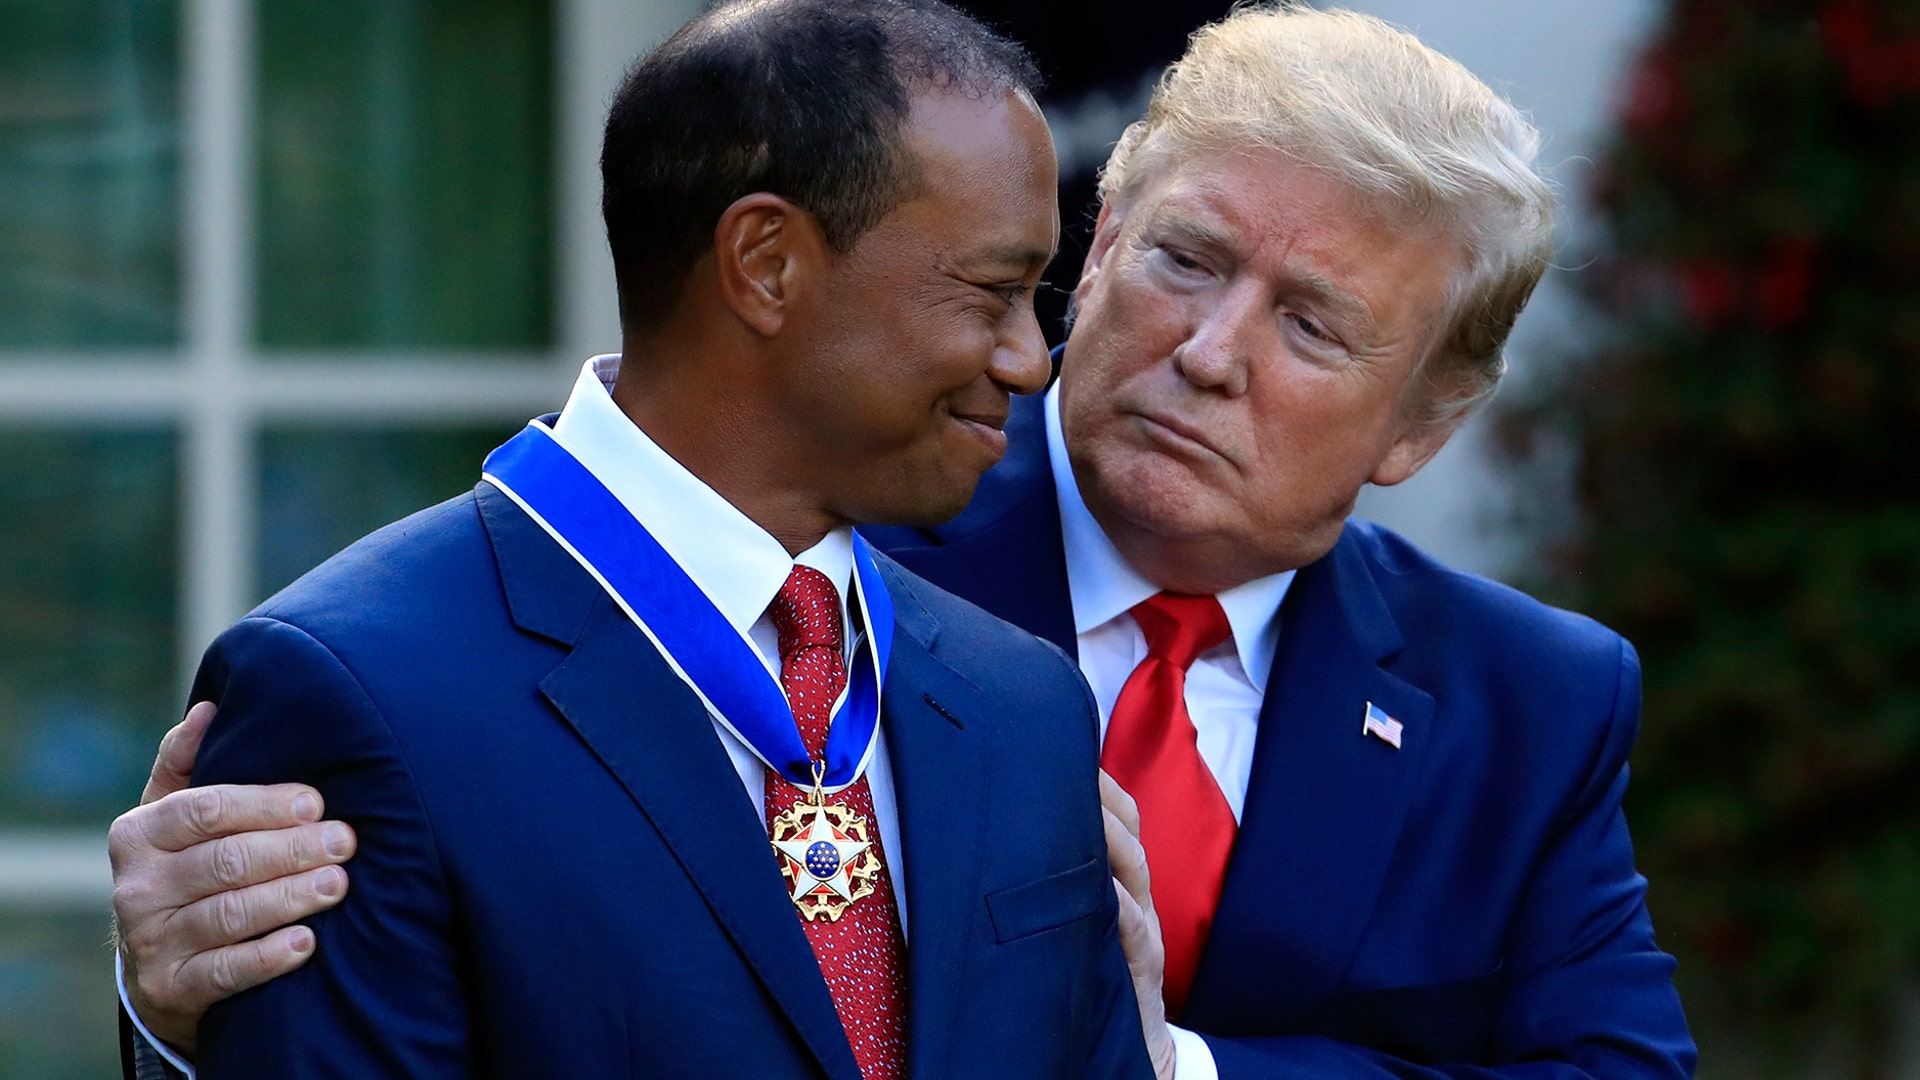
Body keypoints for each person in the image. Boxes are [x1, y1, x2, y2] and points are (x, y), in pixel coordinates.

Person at [112, 5, 1698, 1078]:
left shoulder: (1535, 704)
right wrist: (196, 1025)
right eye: (1183, 261)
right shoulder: (815, 541)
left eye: (1310, 324)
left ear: (1424, 422)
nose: (1209, 350)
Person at [111, 1, 1158, 1077]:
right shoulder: (363, 692)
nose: (1033, 361)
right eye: (993, 292)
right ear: (765, 262)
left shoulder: (1025, 707)